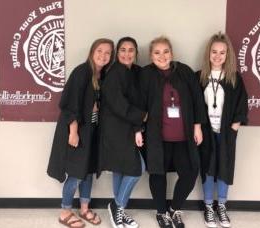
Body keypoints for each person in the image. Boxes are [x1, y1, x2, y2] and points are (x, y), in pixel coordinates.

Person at [139, 36, 206, 228]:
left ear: (172, 53)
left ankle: (175, 209)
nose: (162, 56)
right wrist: (137, 129)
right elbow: (138, 104)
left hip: (183, 136)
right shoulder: (145, 74)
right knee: (157, 174)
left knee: (191, 172)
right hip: (157, 136)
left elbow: (197, 100)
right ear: (151, 56)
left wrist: (197, 126)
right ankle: (161, 212)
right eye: (157, 52)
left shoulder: (184, 71)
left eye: (166, 51)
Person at [47, 38, 114, 228]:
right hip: (78, 130)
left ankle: (84, 208)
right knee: (76, 173)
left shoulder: (102, 76)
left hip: (93, 131)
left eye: (108, 52)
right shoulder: (82, 72)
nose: (103, 55)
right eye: (99, 50)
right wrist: (73, 132)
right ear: (92, 52)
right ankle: (65, 211)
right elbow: (70, 105)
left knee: (89, 171)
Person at [196, 32, 248, 228]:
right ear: (208, 53)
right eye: (214, 52)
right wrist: (198, 127)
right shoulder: (199, 77)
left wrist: (235, 127)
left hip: (226, 132)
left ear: (228, 55)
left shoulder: (234, 79)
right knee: (208, 168)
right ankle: (209, 206)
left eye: (222, 53)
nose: (217, 56)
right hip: (206, 132)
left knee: (224, 167)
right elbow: (194, 105)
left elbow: (242, 105)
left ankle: (222, 206)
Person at [98, 37, 147, 228]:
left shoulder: (134, 72)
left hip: (127, 127)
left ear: (136, 53)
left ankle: (119, 210)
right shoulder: (115, 73)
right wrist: (142, 117)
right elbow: (120, 105)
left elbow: (134, 100)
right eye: (123, 50)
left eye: (131, 50)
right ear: (117, 54)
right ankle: (117, 206)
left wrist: (137, 129)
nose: (127, 54)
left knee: (120, 169)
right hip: (115, 130)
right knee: (136, 169)